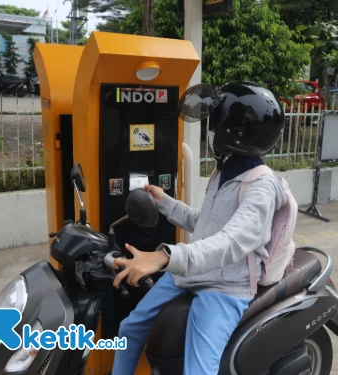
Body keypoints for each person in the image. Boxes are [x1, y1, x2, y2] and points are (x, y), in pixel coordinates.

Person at [111, 81, 286, 375]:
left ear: (235, 132)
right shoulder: (224, 171)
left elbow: (231, 242)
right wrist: (166, 202)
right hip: (192, 271)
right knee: (129, 327)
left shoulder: (262, 187)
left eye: (215, 125)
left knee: (198, 370)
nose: (211, 132)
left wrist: (166, 256)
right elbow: (206, 224)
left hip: (225, 286)